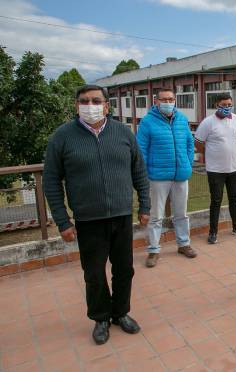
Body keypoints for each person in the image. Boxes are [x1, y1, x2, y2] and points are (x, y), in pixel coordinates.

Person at [43, 85, 150, 345]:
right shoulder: (63, 136)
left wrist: (145, 206)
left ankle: (120, 313)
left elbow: (139, 171)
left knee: (124, 270)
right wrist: (62, 220)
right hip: (88, 220)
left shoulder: (123, 133)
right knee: (93, 273)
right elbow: (51, 181)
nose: (90, 105)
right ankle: (100, 317)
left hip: (122, 215)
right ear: (76, 104)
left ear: (106, 105)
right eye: (84, 101)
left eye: (96, 100)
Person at [137, 88, 196, 268]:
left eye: (171, 99)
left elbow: (189, 143)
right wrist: (145, 173)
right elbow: (141, 150)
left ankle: (183, 244)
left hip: (181, 175)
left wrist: (187, 162)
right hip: (158, 177)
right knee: (156, 216)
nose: (168, 102)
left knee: (181, 213)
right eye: (164, 99)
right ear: (156, 101)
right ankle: (154, 250)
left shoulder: (182, 119)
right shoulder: (147, 122)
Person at [195, 93, 236, 244]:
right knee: (216, 201)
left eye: (229, 105)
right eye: (224, 105)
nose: (227, 108)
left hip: (235, 169)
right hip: (215, 170)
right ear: (216, 106)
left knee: (235, 199)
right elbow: (198, 142)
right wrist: (211, 152)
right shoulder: (208, 122)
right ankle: (213, 232)